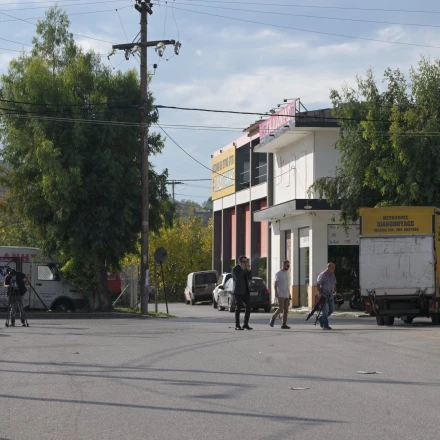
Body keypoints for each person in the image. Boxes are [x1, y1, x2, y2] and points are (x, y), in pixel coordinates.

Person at [232, 255, 253, 330]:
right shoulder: (235, 269)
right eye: (244, 261)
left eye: (246, 261)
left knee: (249, 306)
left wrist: (249, 270)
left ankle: (245, 324)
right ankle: (237, 325)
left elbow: (250, 278)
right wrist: (242, 269)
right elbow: (238, 278)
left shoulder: (245, 269)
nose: (245, 263)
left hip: (245, 291)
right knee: (238, 308)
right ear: (240, 262)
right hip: (238, 291)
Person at [269, 260, 291, 329]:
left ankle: (284, 324)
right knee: (280, 308)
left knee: (286, 310)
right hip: (280, 293)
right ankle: (273, 318)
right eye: (287, 265)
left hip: (286, 294)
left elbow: (287, 284)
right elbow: (275, 284)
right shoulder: (278, 273)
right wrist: (276, 292)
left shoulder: (288, 273)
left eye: (289, 265)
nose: (288, 267)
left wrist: (289, 294)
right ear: (283, 265)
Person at [316, 263, 337, 330]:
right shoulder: (323, 275)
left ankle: (321, 319)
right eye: (332, 268)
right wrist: (321, 293)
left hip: (330, 295)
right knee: (325, 311)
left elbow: (334, 284)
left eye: (334, 268)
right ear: (328, 267)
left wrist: (335, 291)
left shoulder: (332, 275)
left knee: (331, 310)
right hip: (324, 295)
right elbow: (318, 284)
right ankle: (325, 325)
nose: (334, 269)